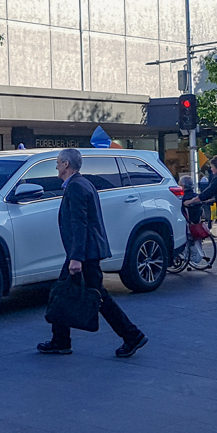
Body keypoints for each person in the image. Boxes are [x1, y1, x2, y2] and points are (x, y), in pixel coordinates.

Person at [38, 149, 147, 358]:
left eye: (58, 162)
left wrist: (76, 257)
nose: (56, 166)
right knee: (64, 291)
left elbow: (80, 224)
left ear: (67, 164)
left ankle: (131, 335)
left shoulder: (76, 187)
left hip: (84, 254)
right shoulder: (82, 184)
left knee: (96, 296)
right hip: (85, 252)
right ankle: (61, 340)